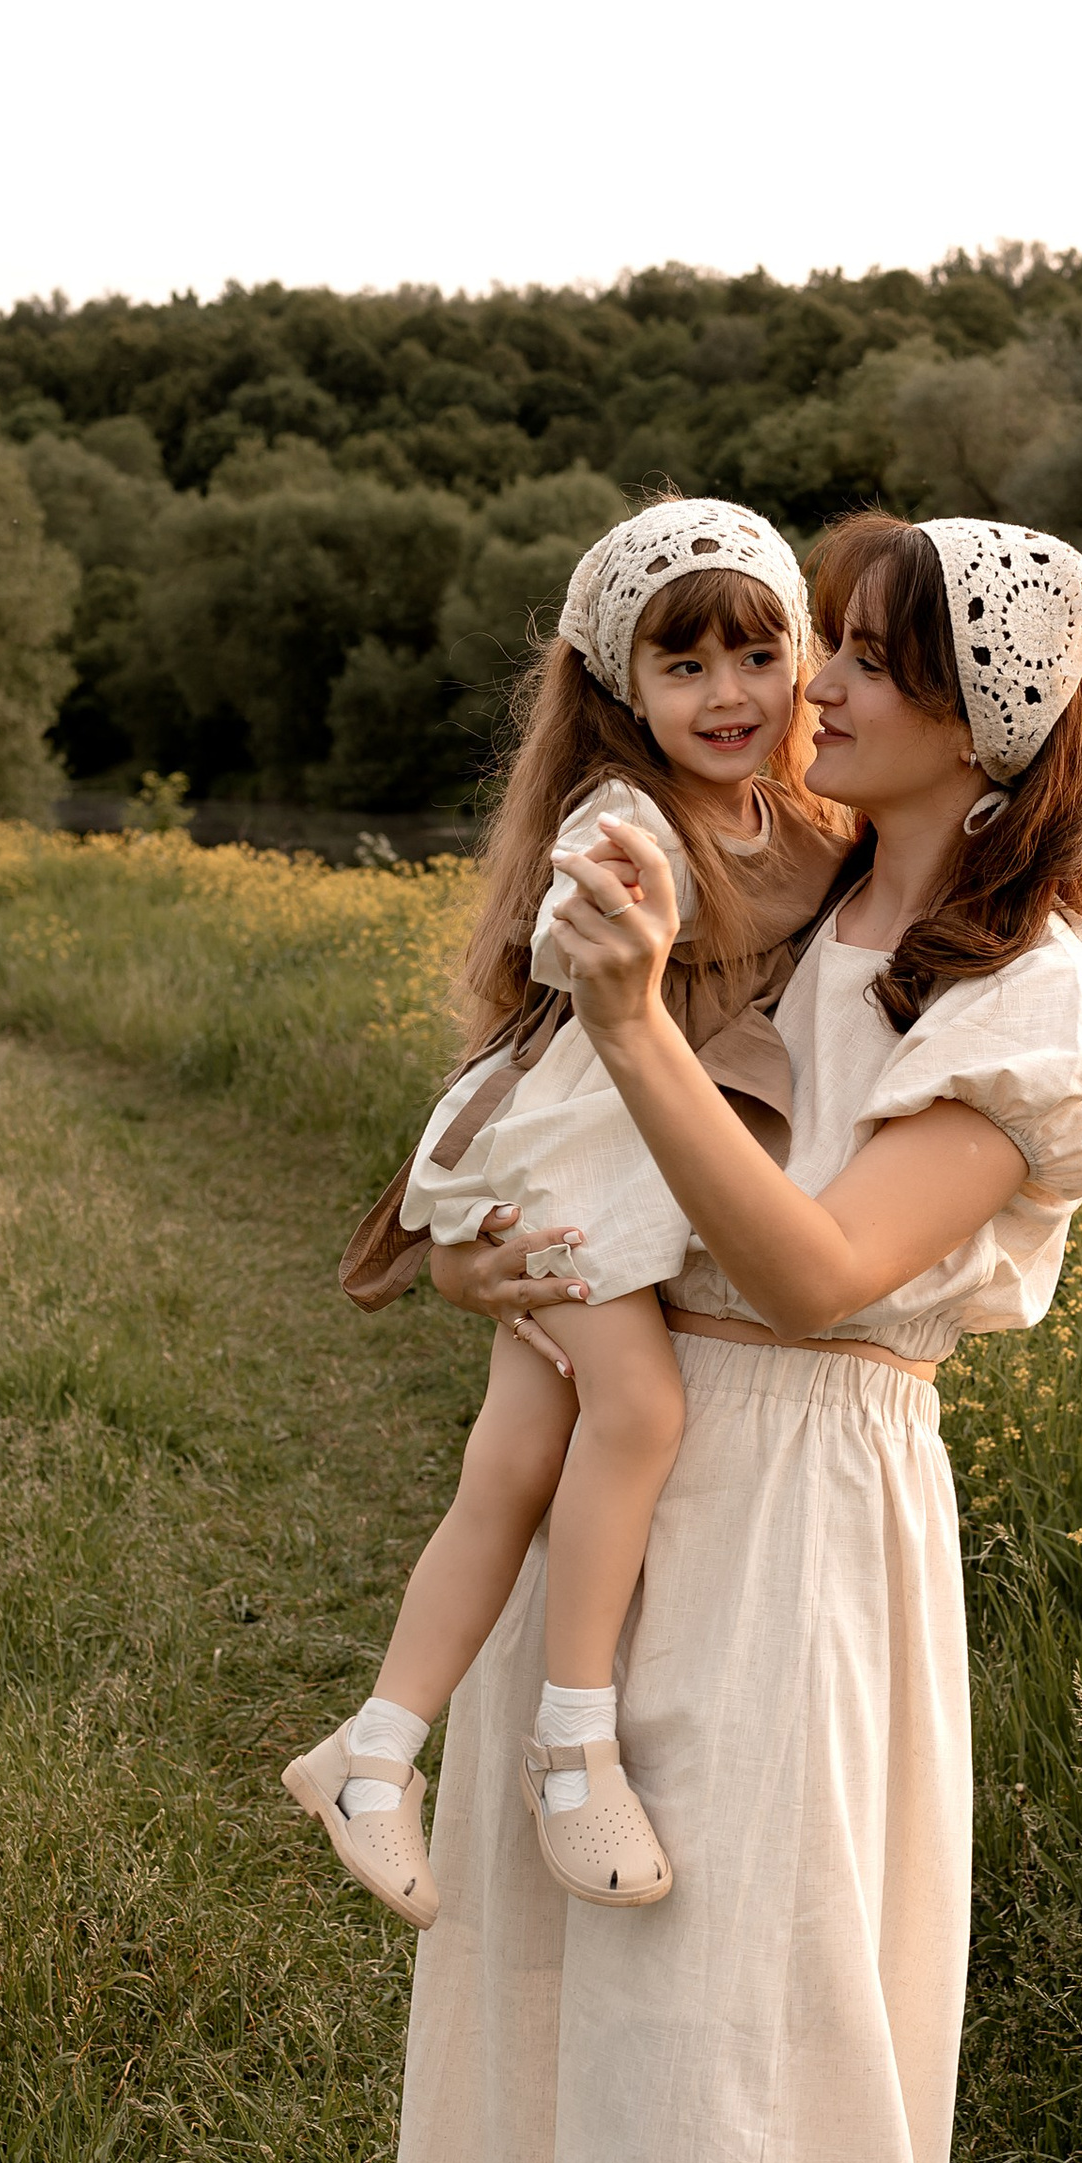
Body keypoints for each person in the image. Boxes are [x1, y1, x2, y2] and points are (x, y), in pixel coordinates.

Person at [379, 509, 1082, 2163]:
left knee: (799, 2006)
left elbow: (815, 1272)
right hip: (649, 1469)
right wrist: (479, 1250)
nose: (825, 677)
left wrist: (623, 1037)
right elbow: (580, 1159)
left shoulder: (1038, 999)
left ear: (988, 720)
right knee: (652, 2005)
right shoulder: (786, 886)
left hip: (808, 1491)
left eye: (885, 654)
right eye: (839, 642)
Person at [285, 503, 847, 1925]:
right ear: (620, 688)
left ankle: (372, 1752)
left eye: (758, 654)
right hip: (573, 1160)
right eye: (684, 667)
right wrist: (625, 913)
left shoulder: (792, 814)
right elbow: (572, 939)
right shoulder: (626, 818)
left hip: (622, 1159)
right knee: (639, 1415)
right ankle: (570, 1742)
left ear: (802, 658)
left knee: (514, 1463)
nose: (729, 695)